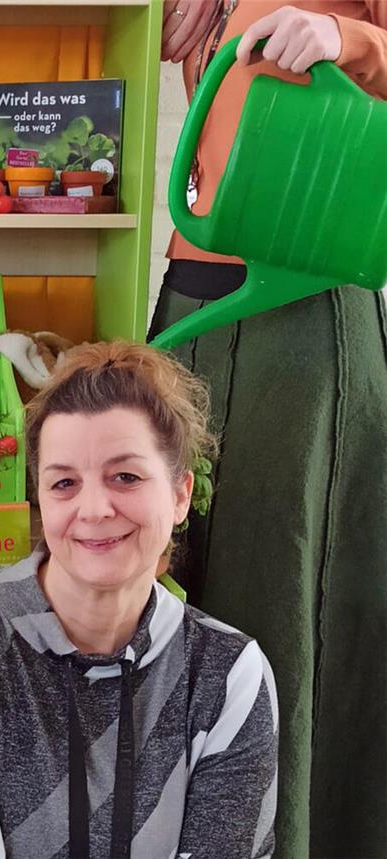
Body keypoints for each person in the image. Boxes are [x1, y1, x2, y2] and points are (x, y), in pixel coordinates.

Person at [0, 342, 278, 858]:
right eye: (64, 483)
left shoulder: (228, 672)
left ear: (180, 494)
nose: (93, 509)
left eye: (126, 477)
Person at [157, 3, 387, 854]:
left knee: (276, 596)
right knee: (178, 595)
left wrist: (347, 41)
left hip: (303, 311)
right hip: (190, 299)